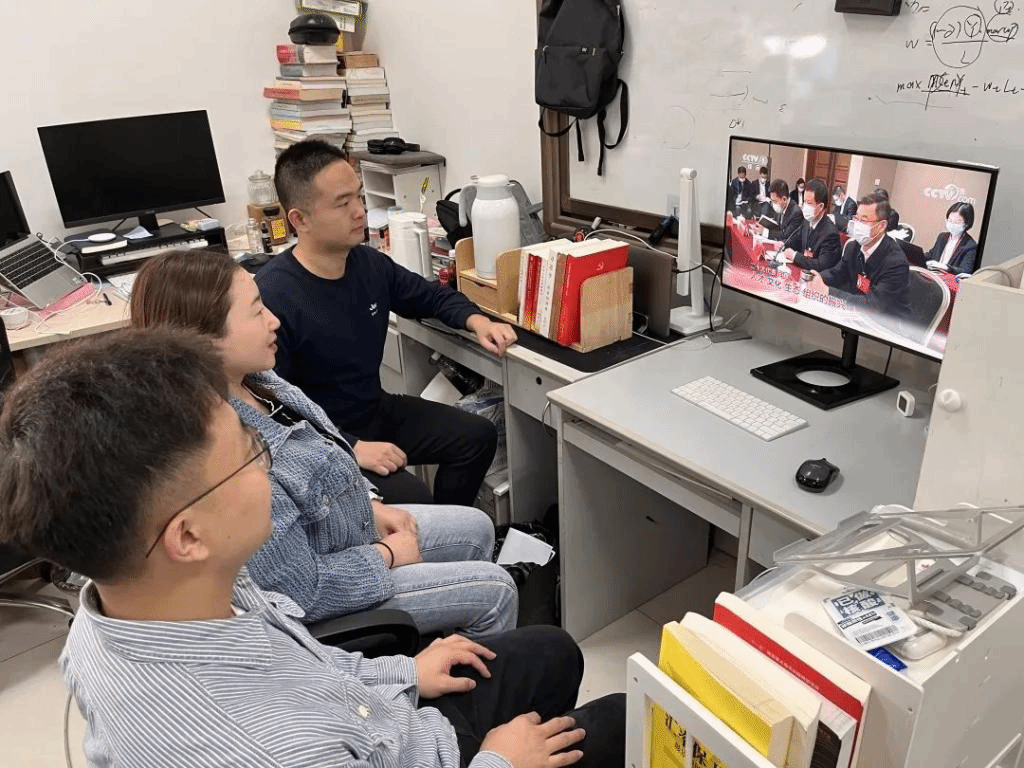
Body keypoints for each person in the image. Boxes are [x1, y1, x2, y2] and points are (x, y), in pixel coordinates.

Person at [0, 328, 624, 768]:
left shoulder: (151, 594)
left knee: (551, 651)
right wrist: (500, 761)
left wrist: (403, 672)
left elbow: (309, 668)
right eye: (249, 454)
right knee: (623, 720)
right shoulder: (261, 748)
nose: (268, 463)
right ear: (187, 534)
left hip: (380, 721)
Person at [129, 249, 517, 637]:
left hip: (346, 532)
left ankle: (444, 635)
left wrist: (371, 506)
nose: (274, 320)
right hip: (334, 584)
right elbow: (301, 590)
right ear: (207, 341)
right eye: (257, 311)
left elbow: (327, 450)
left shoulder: (261, 383)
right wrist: (386, 555)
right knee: (497, 591)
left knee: (478, 527)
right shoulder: (230, 454)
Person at [256, 139, 517, 508]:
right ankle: (425, 533)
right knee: (414, 499)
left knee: (477, 436)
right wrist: (350, 446)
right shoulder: (272, 297)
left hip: (374, 411)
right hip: (321, 439)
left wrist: (477, 321)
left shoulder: (368, 264)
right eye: (343, 204)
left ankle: (451, 530)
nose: (360, 212)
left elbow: (429, 296)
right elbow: (272, 407)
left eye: (359, 197)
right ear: (300, 220)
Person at [808, 191, 912, 319]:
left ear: (881, 226)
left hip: (886, 323)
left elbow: (873, 306)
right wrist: (818, 278)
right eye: (857, 218)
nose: (857, 225)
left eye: (864, 220)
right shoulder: (853, 246)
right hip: (856, 314)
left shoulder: (896, 263)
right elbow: (837, 273)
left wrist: (828, 291)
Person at [782, 179, 841, 273]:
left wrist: (795, 256)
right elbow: (795, 240)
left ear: (821, 206)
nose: (804, 206)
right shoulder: (806, 221)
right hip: (801, 272)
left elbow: (821, 265)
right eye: (804, 201)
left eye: (809, 203)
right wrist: (783, 245)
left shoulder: (830, 233)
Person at [925, 202, 978, 275]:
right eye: (950, 220)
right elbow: (930, 255)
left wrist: (946, 267)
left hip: (948, 279)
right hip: (933, 276)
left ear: (966, 224)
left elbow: (965, 270)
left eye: (956, 222)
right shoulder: (942, 237)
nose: (952, 224)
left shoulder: (970, 245)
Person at [752, 179, 802, 248]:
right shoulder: (781, 207)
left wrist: (764, 232)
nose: (773, 204)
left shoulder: (796, 212)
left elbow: (786, 235)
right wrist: (762, 227)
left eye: (775, 201)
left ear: (784, 199)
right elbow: (778, 228)